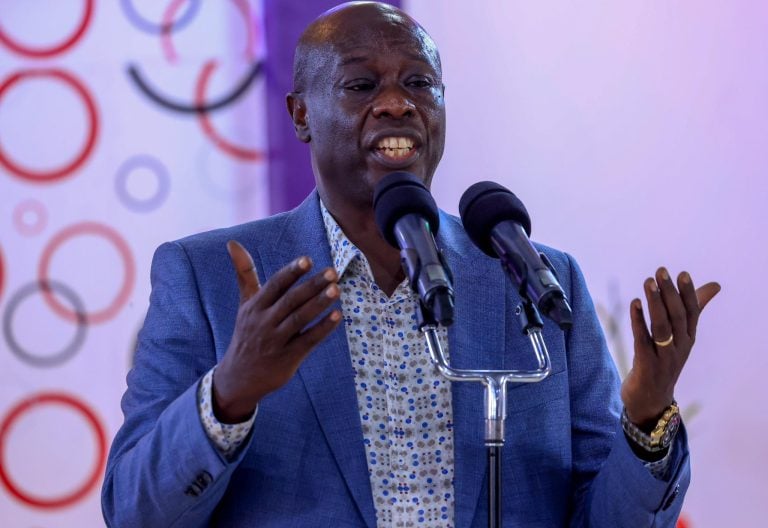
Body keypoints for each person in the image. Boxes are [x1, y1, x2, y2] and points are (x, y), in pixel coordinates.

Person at [101, 2, 720, 527]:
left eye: (419, 84)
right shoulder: (206, 276)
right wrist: (228, 395)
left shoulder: (539, 283)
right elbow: (135, 511)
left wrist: (646, 416)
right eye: (361, 85)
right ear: (301, 115)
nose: (396, 104)